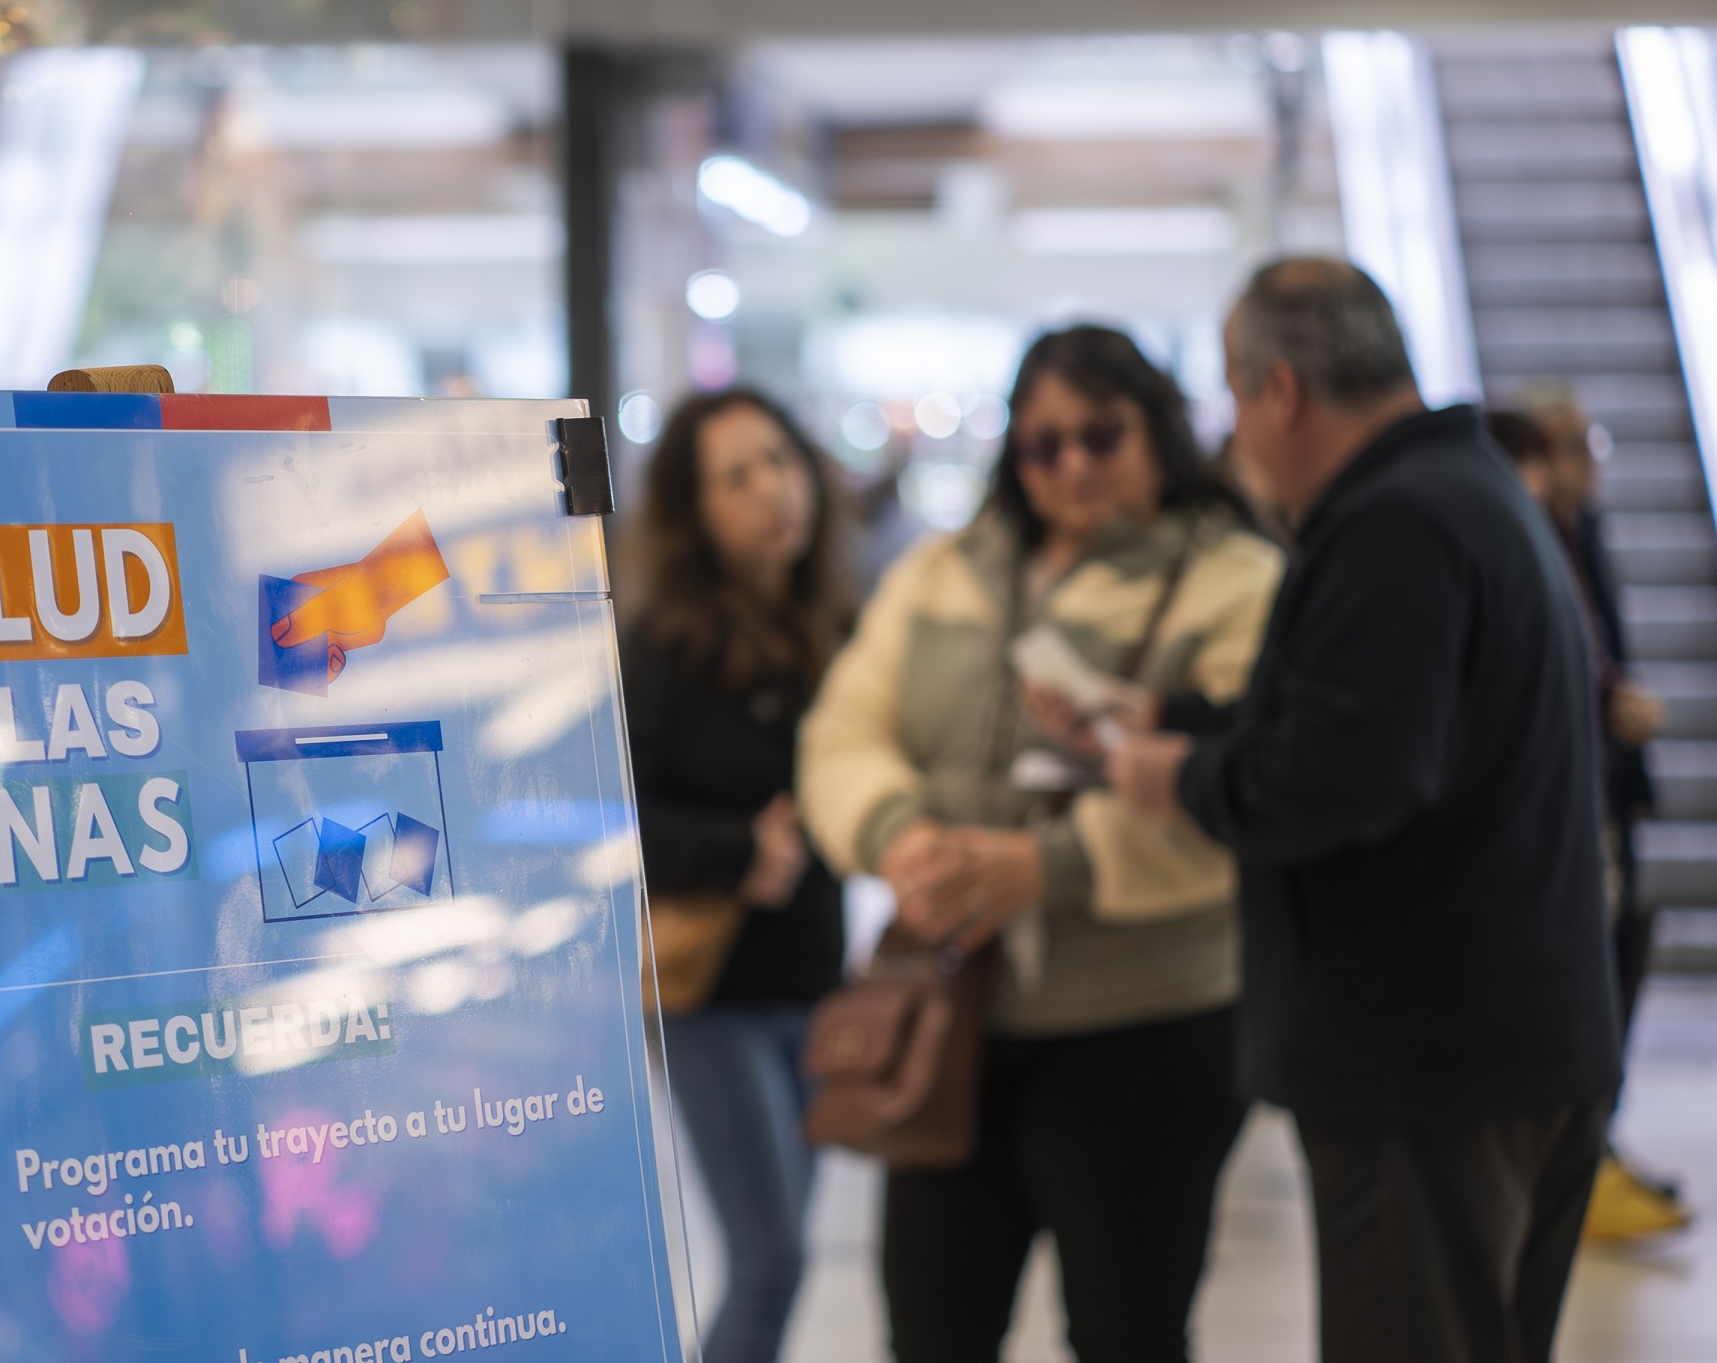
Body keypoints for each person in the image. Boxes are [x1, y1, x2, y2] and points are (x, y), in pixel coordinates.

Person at [1109, 259, 1621, 1363]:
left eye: (1235, 399)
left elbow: (1344, 775)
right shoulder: (1465, 491)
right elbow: (1378, 719)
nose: (1233, 433)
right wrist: (1175, 714)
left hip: (1423, 1070)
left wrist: (1176, 779)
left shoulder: (1392, 525)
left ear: (1279, 390)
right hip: (1513, 1043)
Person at [798, 325, 1284, 1363]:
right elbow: (842, 733)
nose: (1070, 465)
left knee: (1127, 1332)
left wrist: (1044, 870)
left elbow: (1256, 789)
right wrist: (904, 838)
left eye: (1099, 435)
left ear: (1156, 432)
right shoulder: (944, 572)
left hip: (1144, 1025)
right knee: (931, 1327)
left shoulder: (1236, 581)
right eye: (1041, 444)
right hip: (948, 1009)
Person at [619, 387, 849, 1363]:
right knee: (771, 1259)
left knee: (786, 1253)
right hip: (709, 991)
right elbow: (611, 820)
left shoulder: (833, 628)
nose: (773, 492)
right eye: (737, 476)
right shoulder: (662, 647)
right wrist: (737, 852)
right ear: (694, 510)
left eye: (781, 462)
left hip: (814, 983)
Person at [1489, 400, 1687, 1240]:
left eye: (1584, 446)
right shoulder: (1510, 540)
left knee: (1619, 960)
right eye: (1563, 449)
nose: (1580, 466)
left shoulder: (1580, 535)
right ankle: (1567, 1156)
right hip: (1552, 813)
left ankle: (1588, 1147)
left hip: (1605, 793)